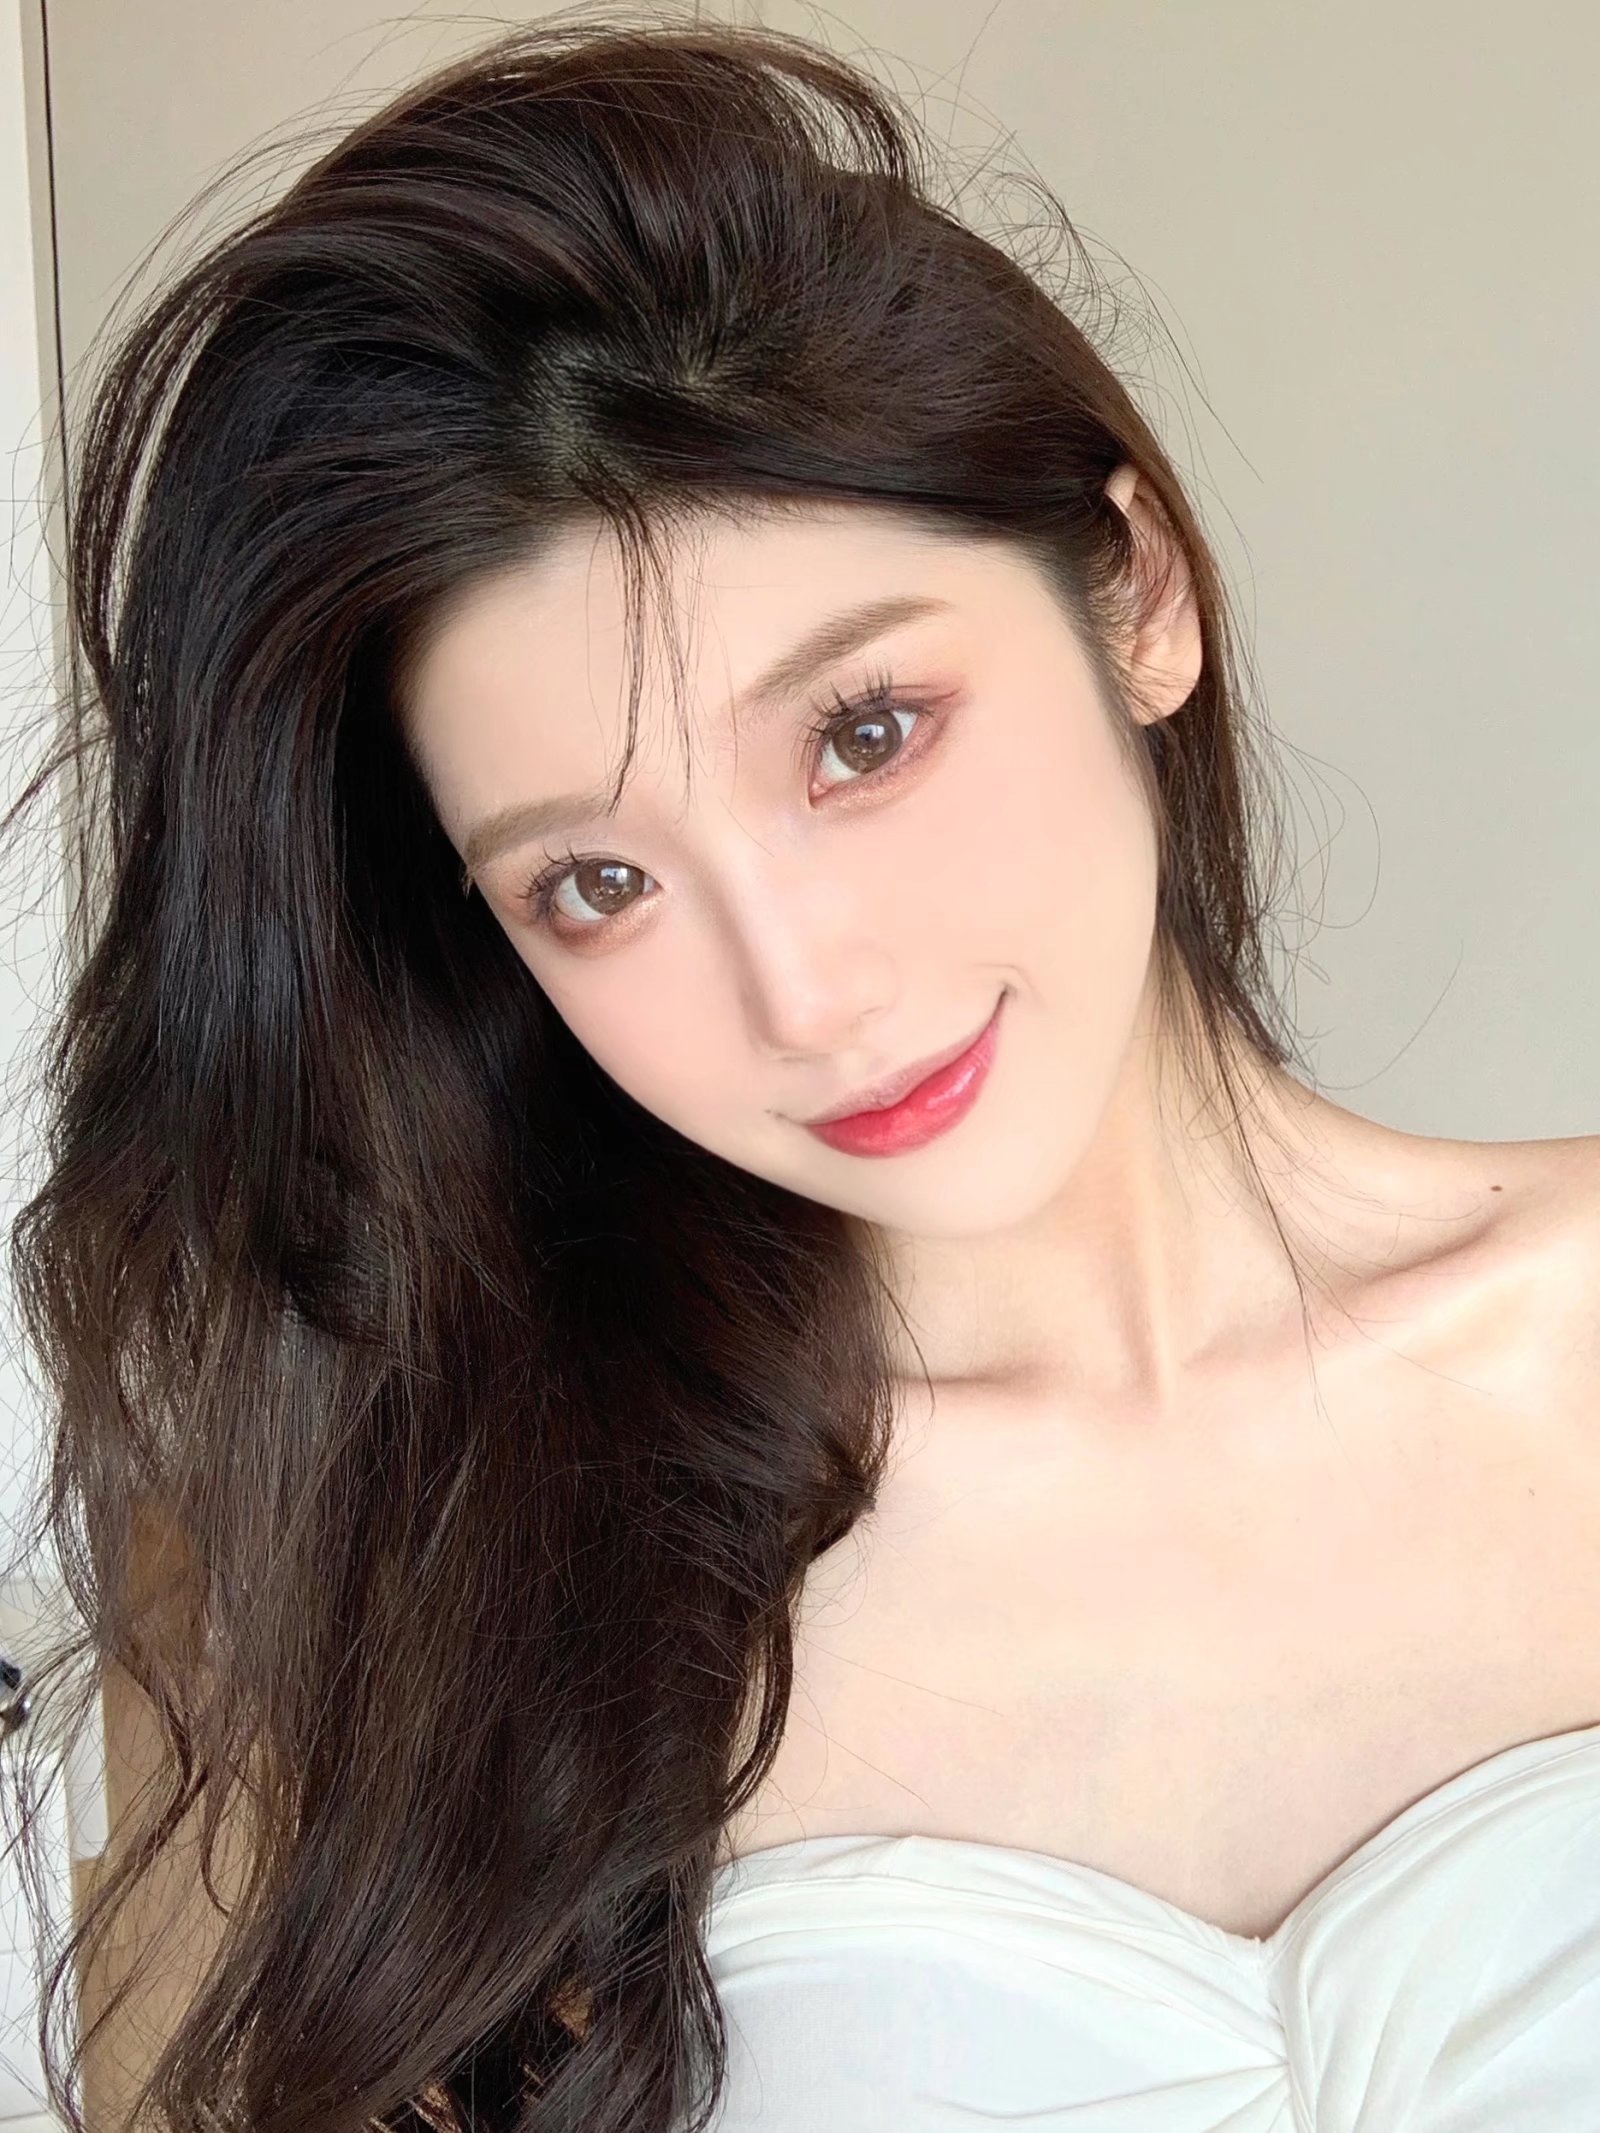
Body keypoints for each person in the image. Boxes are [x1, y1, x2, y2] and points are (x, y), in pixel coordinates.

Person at [4, 11, 1597, 2133]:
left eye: (861, 734)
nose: (806, 992)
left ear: (1134, 593)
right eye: (595, 880)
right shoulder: (473, 1593)